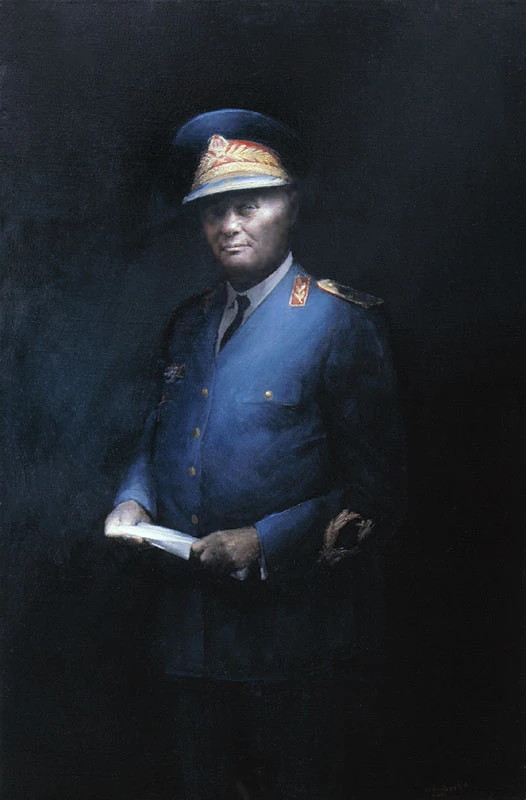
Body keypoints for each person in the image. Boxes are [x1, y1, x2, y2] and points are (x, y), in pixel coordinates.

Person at [105, 109, 405, 799]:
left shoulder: (339, 321)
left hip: (293, 637)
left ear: (290, 206)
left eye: (249, 205)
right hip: (188, 635)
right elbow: (158, 436)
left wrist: (263, 540)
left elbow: (378, 492)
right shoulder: (188, 322)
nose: (228, 225)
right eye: (214, 211)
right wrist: (133, 498)